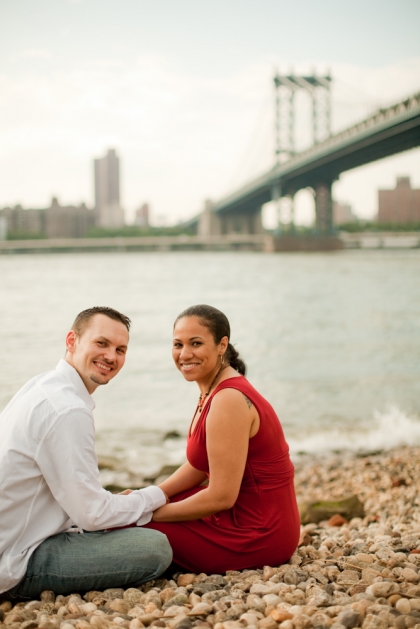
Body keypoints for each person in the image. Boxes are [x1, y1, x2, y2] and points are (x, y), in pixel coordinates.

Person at [0, 307, 172, 600]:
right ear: (72, 341)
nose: (111, 356)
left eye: (120, 349)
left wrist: (119, 503)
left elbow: (79, 499)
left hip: (20, 533)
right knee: (155, 549)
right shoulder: (67, 409)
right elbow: (92, 514)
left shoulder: (42, 385)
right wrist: (155, 496)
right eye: (101, 343)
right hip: (15, 557)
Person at [145, 304, 300, 574]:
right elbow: (198, 465)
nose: (184, 354)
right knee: (132, 511)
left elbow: (221, 497)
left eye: (196, 343)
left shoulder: (228, 399)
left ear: (221, 345)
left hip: (258, 533)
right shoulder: (212, 388)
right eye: (178, 344)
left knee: (129, 524)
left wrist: (146, 514)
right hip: (243, 515)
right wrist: (149, 497)